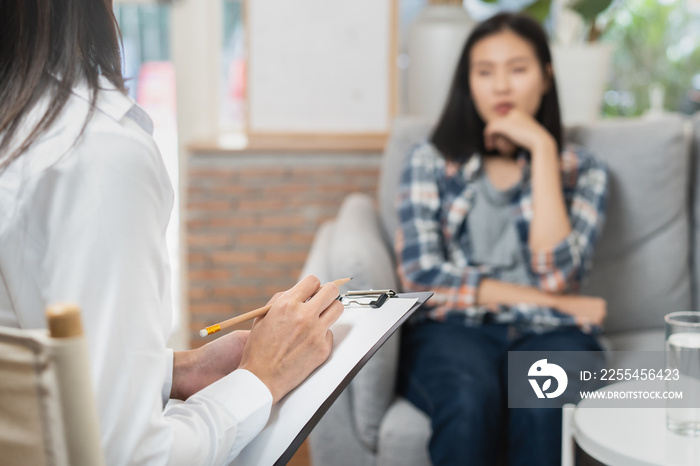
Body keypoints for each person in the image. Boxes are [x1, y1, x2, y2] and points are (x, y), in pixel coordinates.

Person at [0, 1, 343, 464]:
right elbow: (131, 457)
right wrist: (262, 377)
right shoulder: (93, 153)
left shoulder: (21, 127)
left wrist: (178, 370)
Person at [395, 13, 609, 466]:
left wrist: (544, 151)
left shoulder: (584, 170)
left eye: (517, 69)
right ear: (468, 83)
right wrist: (565, 304)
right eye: (484, 72)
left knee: (541, 401)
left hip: (553, 335)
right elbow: (421, 277)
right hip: (453, 333)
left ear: (546, 77)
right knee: (469, 398)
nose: (501, 87)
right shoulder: (430, 161)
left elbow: (557, 276)